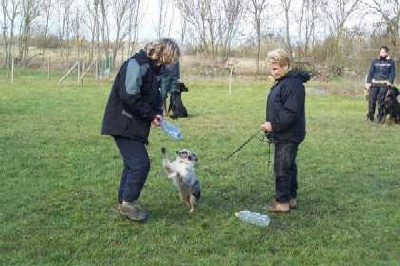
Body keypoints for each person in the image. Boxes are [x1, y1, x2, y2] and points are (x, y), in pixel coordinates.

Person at [101, 38, 180, 222]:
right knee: (140, 163)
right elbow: (129, 95)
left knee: (132, 164)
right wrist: (150, 115)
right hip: (122, 122)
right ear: (163, 54)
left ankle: (123, 202)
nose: (173, 64)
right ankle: (128, 203)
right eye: (172, 59)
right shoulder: (136, 64)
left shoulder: (153, 69)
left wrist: (157, 113)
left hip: (133, 124)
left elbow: (153, 95)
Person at [260, 48, 311, 212]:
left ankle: (282, 202)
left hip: (289, 134)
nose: (272, 72)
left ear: (286, 65)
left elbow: (291, 113)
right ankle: (291, 198)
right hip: (283, 132)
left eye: (275, 68)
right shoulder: (283, 82)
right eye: (271, 68)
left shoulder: (293, 85)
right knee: (288, 166)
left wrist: (272, 125)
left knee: (282, 167)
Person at [365, 45, 396, 122]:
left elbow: (392, 73)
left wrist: (390, 82)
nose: (381, 53)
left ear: (386, 53)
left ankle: (380, 116)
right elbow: (370, 72)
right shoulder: (374, 61)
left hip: (384, 84)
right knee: (372, 99)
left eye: (383, 52)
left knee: (381, 100)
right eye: (381, 51)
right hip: (374, 83)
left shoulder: (391, 62)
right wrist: (368, 83)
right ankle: (370, 116)